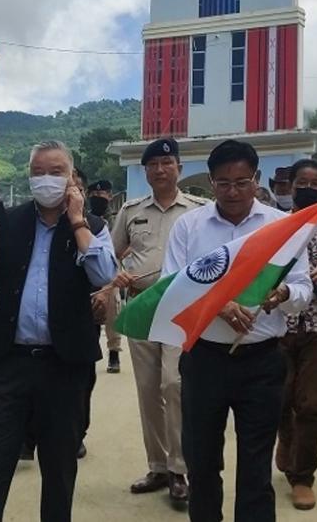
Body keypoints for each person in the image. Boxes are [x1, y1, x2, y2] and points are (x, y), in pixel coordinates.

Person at [0, 140, 116, 522]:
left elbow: (104, 277)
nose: (46, 180)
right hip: (9, 364)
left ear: (72, 178)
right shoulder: (7, 221)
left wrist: (78, 220)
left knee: (60, 466)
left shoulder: (94, 225)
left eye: (56, 171)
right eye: (38, 172)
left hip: (65, 366)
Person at [169, 140, 311, 522]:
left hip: (263, 362)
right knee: (201, 461)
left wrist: (281, 292)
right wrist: (219, 306)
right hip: (203, 359)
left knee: (255, 465)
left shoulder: (282, 227)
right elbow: (172, 287)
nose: (233, 192)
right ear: (210, 183)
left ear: (257, 179)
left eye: (242, 182)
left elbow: (303, 289)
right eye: (223, 184)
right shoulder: (189, 227)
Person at [110, 137, 206, 507]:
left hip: (182, 310)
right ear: (145, 171)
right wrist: (118, 274)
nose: (160, 170)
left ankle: (180, 468)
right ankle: (158, 467)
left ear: (179, 168)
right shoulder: (131, 211)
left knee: (174, 383)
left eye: (168, 164)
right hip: (142, 308)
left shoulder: (199, 210)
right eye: (153, 165)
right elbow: (111, 255)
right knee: (149, 389)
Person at [274, 159, 317, 511]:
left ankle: (303, 477)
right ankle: (286, 441)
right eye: (302, 181)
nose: (309, 188)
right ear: (290, 185)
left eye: (316, 183)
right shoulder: (275, 226)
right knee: (281, 399)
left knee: (312, 404)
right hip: (278, 327)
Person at [88, 179, 123, 374]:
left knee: (113, 310)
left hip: (112, 271)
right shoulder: (86, 218)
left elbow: (126, 243)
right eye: (94, 196)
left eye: (102, 196)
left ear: (109, 196)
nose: (98, 199)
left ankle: (114, 352)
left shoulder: (117, 219)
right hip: (91, 270)